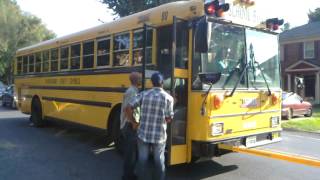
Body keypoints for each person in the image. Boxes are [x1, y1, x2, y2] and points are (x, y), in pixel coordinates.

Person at [126, 72, 174, 180]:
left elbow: (128, 108)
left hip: (143, 134)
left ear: (152, 83)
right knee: (159, 160)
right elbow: (168, 119)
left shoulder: (144, 94)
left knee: (142, 160)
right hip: (159, 136)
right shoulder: (168, 98)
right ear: (162, 83)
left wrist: (134, 122)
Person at [120, 72, 141, 180]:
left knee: (132, 152)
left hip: (130, 125)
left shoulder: (135, 91)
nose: (141, 80)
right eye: (140, 78)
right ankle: (127, 176)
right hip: (129, 126)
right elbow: (127, 109)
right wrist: (133, 123)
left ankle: (130, 174)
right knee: (130, 154)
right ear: (136, 80)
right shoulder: (131, 92)